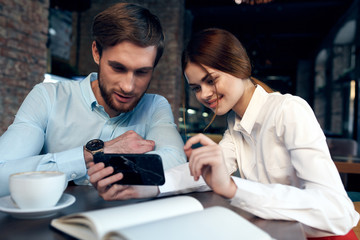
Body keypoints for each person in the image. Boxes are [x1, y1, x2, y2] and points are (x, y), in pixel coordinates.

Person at [89, 28, 359, 239]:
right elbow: (205, 171)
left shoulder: (289, 110)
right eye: (196, 87)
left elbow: (337, 211)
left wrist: (232, 187)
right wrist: (142, 185)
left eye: (211, 80)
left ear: (239, 66)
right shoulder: (236, 123)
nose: (204, 94)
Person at [0, 3, 186, 197]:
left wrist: (110, 166)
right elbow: (1, 173)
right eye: (118, 68)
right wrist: (92, 154)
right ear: (97, 52)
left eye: (142, 72)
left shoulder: (155, 106)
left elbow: (177, 164)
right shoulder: (48, 97)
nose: (128, 86)